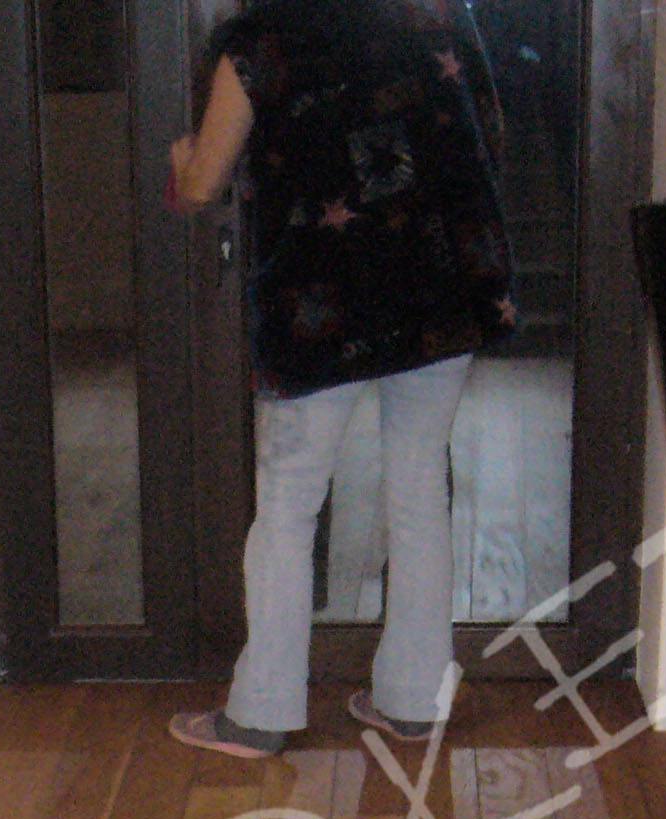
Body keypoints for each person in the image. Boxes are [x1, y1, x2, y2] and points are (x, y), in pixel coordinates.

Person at [166, 0, 515, 758]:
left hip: (320, 305)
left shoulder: (259, 42)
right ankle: (414, 702)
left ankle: (260, 715)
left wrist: (182, 158)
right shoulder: (438, 14)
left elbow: (200, 186)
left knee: (289, 507)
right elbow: (490, 135)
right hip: (440, 284)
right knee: (419, 490)